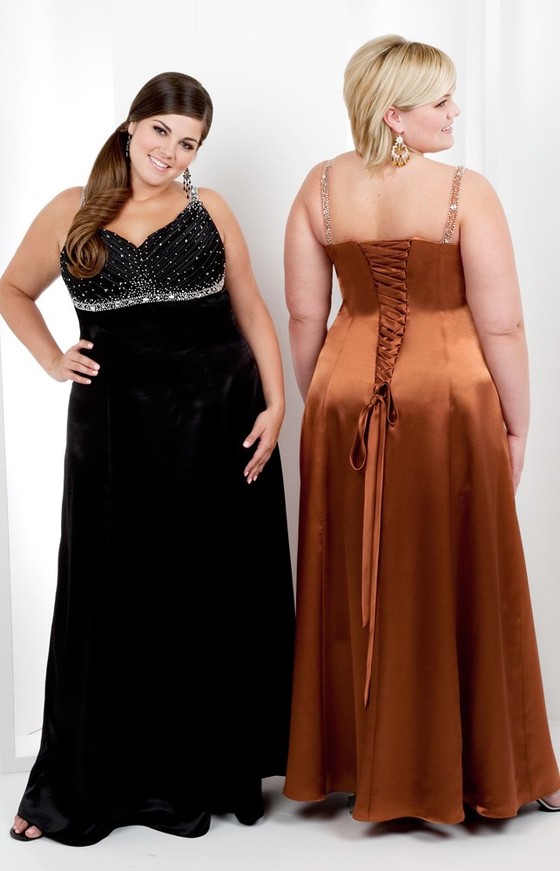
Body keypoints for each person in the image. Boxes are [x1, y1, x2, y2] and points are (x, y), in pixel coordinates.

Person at [0, 70, 295, 845]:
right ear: (132, 125)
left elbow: (252, 308)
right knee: (108, 591)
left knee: (208, 591)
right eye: (162, 130)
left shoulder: (210, 209)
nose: (171, 151)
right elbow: (12, 289)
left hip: (217, 426)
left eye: (189, 142)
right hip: (114, 433)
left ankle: (209, 770)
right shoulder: (71, 210)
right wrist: (51, 358)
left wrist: (276, 405)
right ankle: (82, 780)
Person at [282, 34, 560, 825]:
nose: (455, 111)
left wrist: (328, 402)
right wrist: (517, 426)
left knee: (356, 575)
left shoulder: (319, 187)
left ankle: (356, 764)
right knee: (460, 569)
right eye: (441, 101)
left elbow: (305, 315)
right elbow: (501, 326)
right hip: (449, 400)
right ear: (394, 115)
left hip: (341, 397)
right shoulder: (464, 192)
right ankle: (494, 770)